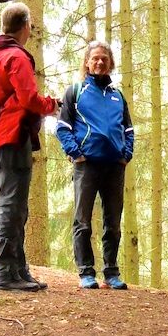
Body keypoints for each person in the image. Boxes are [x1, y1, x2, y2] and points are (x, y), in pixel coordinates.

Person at [0, 2, 61, 291]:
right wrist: (53, 106)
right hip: (11, 137)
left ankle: (18, 270)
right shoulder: (15, 56)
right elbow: (29, 98)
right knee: (10, 205)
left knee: (16, 207)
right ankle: (5, 273)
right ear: (26, 26)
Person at [55, 41, 134, 290]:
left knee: (113, 222)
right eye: (95, 58)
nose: (100, 62)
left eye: (104, 59)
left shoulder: (117, 95)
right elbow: (62, 127)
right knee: (83, 221)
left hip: (114, 166)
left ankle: (111, 272)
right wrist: (75, 153)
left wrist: (126, 154)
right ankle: (86, 272)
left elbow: (128, 129)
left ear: (110, 63)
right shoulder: (76, 91)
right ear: (87, 62)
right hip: (87, 165)